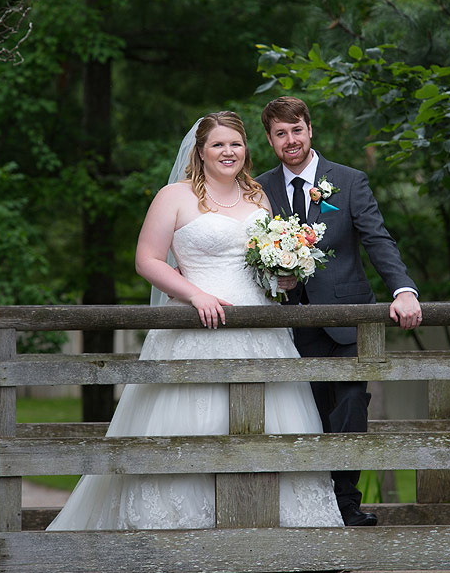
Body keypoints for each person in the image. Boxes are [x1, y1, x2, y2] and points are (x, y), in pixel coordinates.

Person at [47, 111, 343, 531]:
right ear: (200, 151)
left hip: (261, 327)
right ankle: (178, 531)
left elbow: (260, 265)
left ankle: (268, 530)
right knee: (194, 424)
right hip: (195, 323)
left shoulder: (259, 196)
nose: (228, 152)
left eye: (236, 144)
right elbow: (146, 260)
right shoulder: (174, 196)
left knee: (270, 429)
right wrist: (194, 293)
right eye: (218, 144)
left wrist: (284, 275)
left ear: (246, 150)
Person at [257, 96, 422, 527]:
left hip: (350, 320)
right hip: (291, 327)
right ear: (271, 140)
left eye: (297, 130)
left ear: (310, 130)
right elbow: (250, 257)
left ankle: (346, 505)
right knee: (306, 414)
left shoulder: (349, 181)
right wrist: (275, 279)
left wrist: (403, 290)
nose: (290, 140)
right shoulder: (258, 190)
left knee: (350, 408)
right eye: (280, 133)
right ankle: (312, 507)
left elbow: (377, 239)